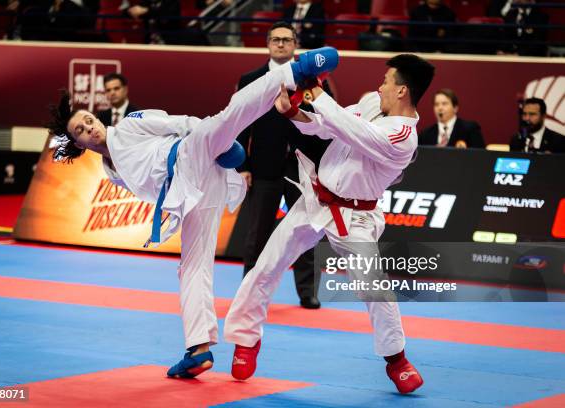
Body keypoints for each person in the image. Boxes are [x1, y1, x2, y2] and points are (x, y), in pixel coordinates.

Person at [46, 46, 339, 379]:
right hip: (189, 193)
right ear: (77, 144)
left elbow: (180, 123)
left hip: (189, 154)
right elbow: (153, 187)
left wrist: (218, 142)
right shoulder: (110, 170)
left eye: (88, 120)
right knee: (191, 267)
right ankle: (198, 349)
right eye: (80, 131)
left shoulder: (128, 125)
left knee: (229, 118)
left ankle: (295, 72)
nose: (89, 128)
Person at [224, 54, 435, 395]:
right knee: (266, 264)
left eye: (386, 81)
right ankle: (245, 341)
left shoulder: (403, 137)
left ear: (402, 91)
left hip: (356, 217)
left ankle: (397, 360)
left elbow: (354, 132)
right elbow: (328, 126)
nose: (379, 86)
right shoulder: (370, 102)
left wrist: (317, 93)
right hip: (315, 199)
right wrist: (295, 113)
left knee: (375, 287)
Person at [237, 21, 332, 309]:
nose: (280, 44)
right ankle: (250, 293)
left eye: (286, 40)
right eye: (276, 39)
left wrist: (324, 167)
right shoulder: (250, 79)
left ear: (294, 45)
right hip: (263, 166)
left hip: (302, 169)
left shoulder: (311, 80)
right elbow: (238, 122)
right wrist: (242, 165)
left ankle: (308, 292)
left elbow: (328, 121)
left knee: (306, 231)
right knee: (258, 235)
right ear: (268, 43)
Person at [419, 88, 485, 148]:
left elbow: (480, 156)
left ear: (455, 108)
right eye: (436, 104)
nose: (440, 108)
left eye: (444, 104)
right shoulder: (425, 134)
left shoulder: (470, 129)